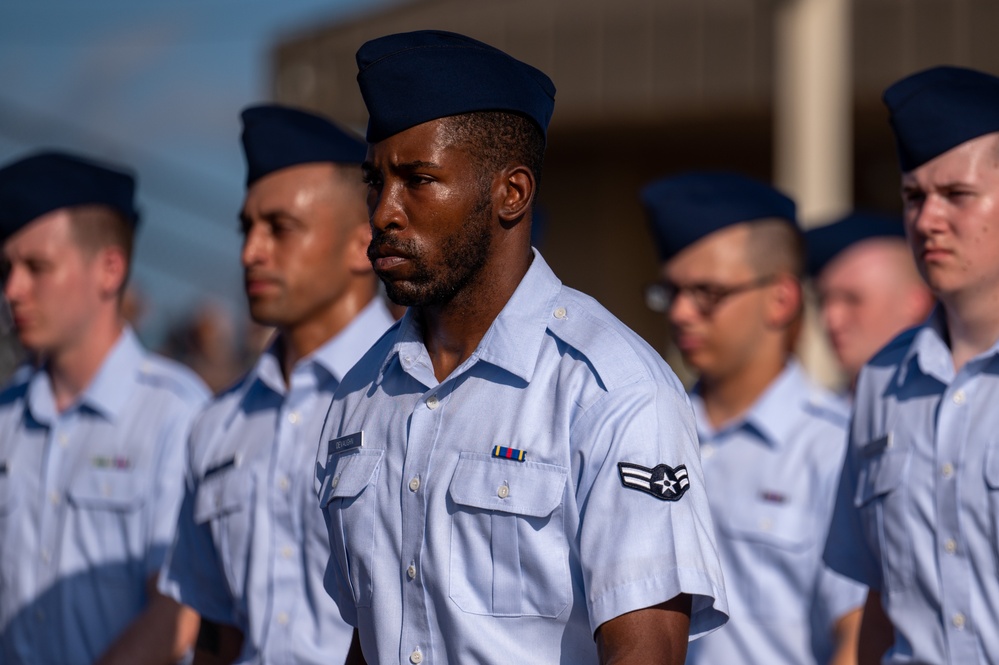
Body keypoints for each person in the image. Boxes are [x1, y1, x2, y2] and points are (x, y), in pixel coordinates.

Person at [314, 30, 728, 665]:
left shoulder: (609, 388)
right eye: (377, 182)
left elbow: (644, 652)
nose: (384, 213)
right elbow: (372, 636)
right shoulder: (363, 392)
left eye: (418, 180)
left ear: (512, 194)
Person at [159, 104, 394, 665]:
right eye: (247, 228)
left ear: (363, 240)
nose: (250, 253)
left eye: (280, 228)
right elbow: (215, 632)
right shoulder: (219, 425)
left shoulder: (414, 397)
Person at [642, 172, 866, 665]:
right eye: (671, 291)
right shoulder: (645, 433)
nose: (680, 313)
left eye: (707, 292)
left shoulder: (832, 446)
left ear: (781, 298)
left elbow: (857, 635)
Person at [0, 150, 209, 664]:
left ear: (109, 269)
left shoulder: (175, 416)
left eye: (36, 267)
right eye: (6, 268)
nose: (12, 290)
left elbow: (177, 612)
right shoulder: (5, 417)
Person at [824, 65, 999, 665]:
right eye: (913, 197)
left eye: (957, 195)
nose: (927, 221)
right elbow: (879, 599)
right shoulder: (883, 381)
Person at [804, 212, 933, 392]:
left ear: (916, 302)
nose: (831, 319)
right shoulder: (818, 415)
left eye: (852, 299)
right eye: (821, 301)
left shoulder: (959, 410)